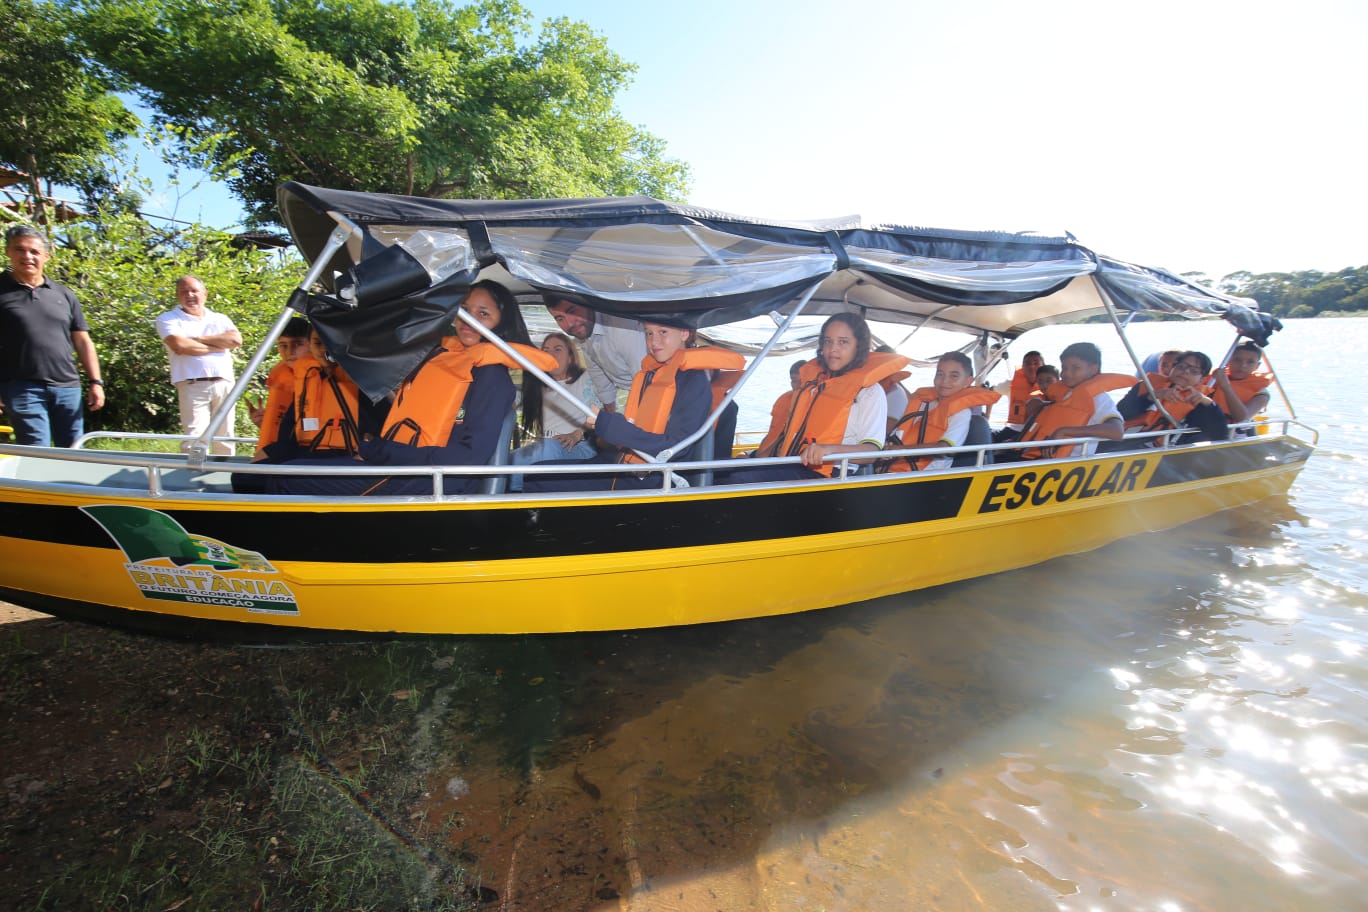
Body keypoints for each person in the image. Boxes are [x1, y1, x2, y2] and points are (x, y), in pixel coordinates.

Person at [267, 281, 555, 496]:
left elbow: (468, 458)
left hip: (428, 480)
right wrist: (379, 452)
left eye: (483, 314)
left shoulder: (491, 376)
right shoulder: (445, 358)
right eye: (465, 310)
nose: (469, 321)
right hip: (405, 469)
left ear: (501, 323)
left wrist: (380, 451)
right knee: (280, 471)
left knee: (282, 480)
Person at [523, 319, 744, 492]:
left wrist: (611, 426)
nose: (654, 341)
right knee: (534, 473)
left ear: (685, 333)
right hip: (626, 464)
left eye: (663, 332)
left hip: (652, 478)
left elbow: (678, 448)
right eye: (649, 333)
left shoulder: (693, 380)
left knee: (537, 480)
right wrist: (601, 429)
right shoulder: (654, 374)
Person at [721, 312, 908, 483]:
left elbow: (872, 451)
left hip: (829, 475)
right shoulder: (815, 385)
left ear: (858, 346)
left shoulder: (870, 392)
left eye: (843, 342)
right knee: (723, 472)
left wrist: (828, 450)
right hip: (793, 463)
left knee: (737, 480)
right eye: (828, 341)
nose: (833, 349)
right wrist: (754, 455)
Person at [0, 225, 104, 446]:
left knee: (73, 451)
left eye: (34, 251)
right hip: (21, 387)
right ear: (8, 251)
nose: (27, 256)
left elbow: (83, 341)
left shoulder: (64, 294)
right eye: (20, 249)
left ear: (46, 256)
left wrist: (96, 382)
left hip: (67, 387)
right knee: (37, 449)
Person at [155, 275, 242, 455]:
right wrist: (218, 346)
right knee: (194, 439)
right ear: (177, 295)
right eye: (184, 292)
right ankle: (193, 470)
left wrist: (197, 339)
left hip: (224, 383)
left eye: (194, 291)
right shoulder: (168, 318)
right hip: (192, 384)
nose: (190, 295)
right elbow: (179, 345)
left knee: (225, 437)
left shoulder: (220, 318)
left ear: (205, 294)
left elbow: (235, 340)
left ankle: (224, 471)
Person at [507, 332, 601, 487]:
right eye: (545, 350)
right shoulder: (537, 387)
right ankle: (511, 496)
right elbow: (510, 400)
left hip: (579, 446)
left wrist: (577, 434)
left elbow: (601, 414)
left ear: (571, 357)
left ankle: (534, 492)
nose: (551, 354)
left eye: (557, 349)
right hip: (545, 446)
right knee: (506, 461)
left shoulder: (586, 379)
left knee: (548, 447)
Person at [881, 351, 1000, 472]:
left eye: (954, 376)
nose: (944, 381)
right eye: (940, 374)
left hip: (925, 476)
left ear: (968, 381)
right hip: (893, 468)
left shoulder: (961, 413)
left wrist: (900, 450)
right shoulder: (923, 402)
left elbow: (945, 449)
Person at [1012, 342, 1131, 460]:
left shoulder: (1098, 399)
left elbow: (1117, 431)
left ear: (1093, 369)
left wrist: (1065, 431)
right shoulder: (1066, 392)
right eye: (1064, 368)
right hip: (1039, 457)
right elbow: (1064, 409)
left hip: (1067, 463)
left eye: (1076, 368)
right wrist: (1042, 406)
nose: (1066, 373)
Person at [544, 297, 647, 412]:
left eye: (572, 311)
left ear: (587, 302)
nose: (570, 324)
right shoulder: (584, 334)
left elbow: (647, 384)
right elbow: (601, 382)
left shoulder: (622, 329)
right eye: (560, 318)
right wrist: (609, 417)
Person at [1115, 350, 1228, 445]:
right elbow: (1120, 413)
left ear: (1201, 380)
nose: (1185, 372)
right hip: (1123, 439)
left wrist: (1208, 403)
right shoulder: (1148, 385)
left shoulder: (1199, 402)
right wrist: (1152, 396)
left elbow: (1220, 435)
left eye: (1194, 371)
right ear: (1172, 369)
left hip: (1156, 449)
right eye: (1181, 367)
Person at [247, 317, 311, 459]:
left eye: (297, 344)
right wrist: (264, 422)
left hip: (307, 451)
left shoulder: (322, 378)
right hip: (283, 448)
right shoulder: (281, 376)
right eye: (283, 345)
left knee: (248, 470)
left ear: (312, 344)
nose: (289, 351)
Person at [1209, 341, 1272, 427]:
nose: (1243, 365)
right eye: (1237, 360)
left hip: (1233, 432)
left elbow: (1241, 418)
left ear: (1257, 366)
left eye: (1250, 362)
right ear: (1228, 361)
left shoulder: (1261, 393)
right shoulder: (1212, 380)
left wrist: (1226, 387)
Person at [753, 359, 807, 456]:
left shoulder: (810, 406)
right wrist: (759, 452)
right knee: (740, 456)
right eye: (794, 381)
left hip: (780, 455)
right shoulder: (784, 399)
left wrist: (761, 456)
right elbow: (773, 431)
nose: (798, 385)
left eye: (801, 381)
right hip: (767, 451)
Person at [993, 350, 1043, 443]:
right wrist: (986, 416)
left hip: (1036, 432)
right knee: (988, 437)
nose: (1032, 366)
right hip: (1013, 430)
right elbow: (989, 393)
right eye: (1027, 363)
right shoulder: (1010, 384)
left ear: (1043, 366)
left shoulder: (1049, 386)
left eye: (1036, 363)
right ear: (1022, 366)